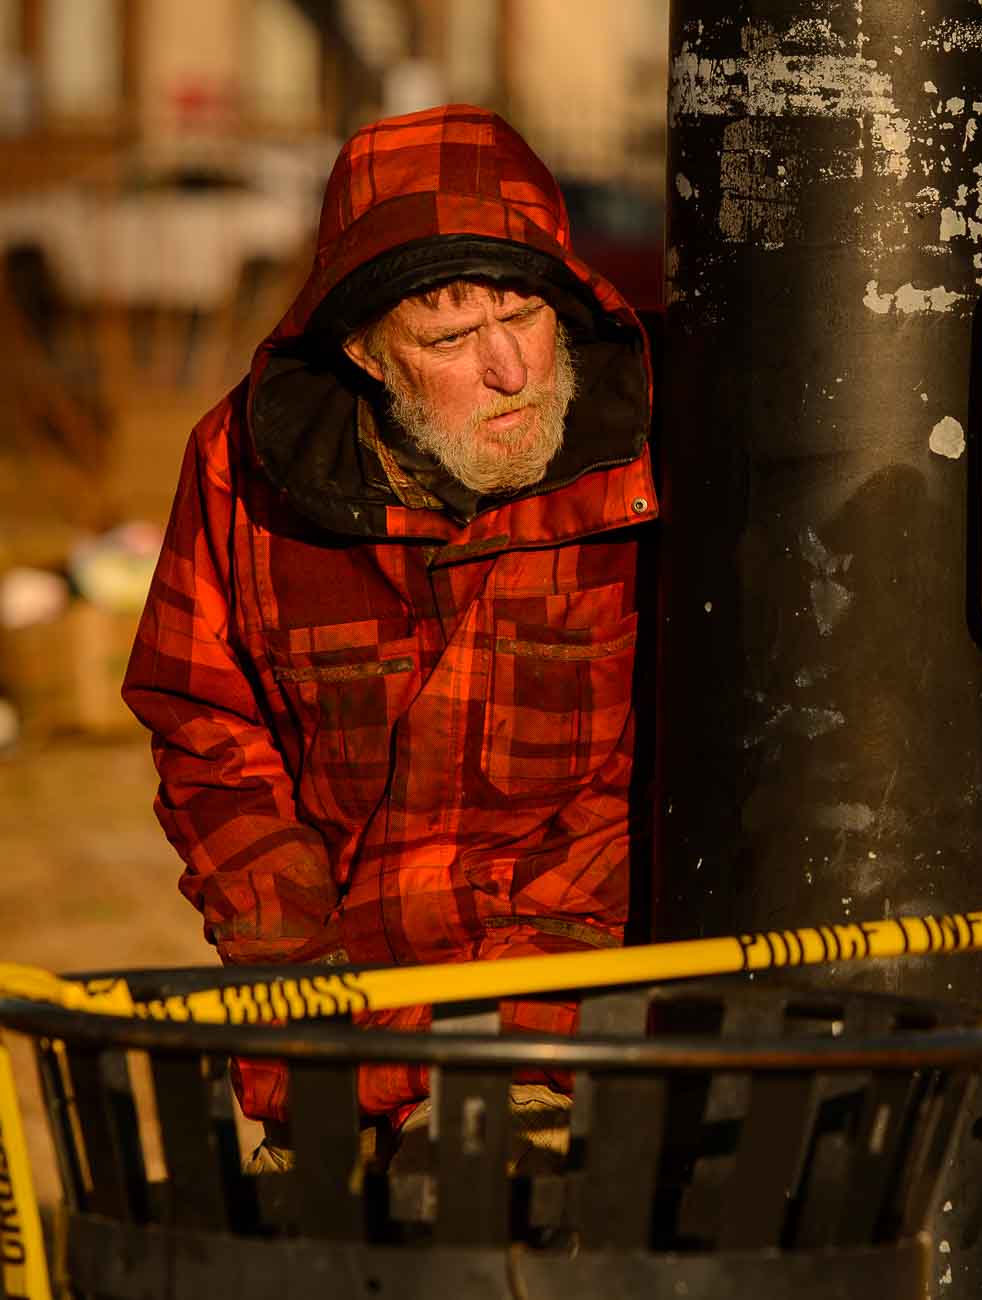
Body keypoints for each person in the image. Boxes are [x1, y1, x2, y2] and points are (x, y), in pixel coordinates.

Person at [122, 105, 657, 1165]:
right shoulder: (244, 469)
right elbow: (205, 727)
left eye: (525, 314)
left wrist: (504, 1026)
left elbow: (677, 751)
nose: (510, 368)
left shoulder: (656, 452)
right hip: (335, 1024)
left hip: (564, 1025)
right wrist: (297, 968)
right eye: (452, 336)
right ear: (365, 350)